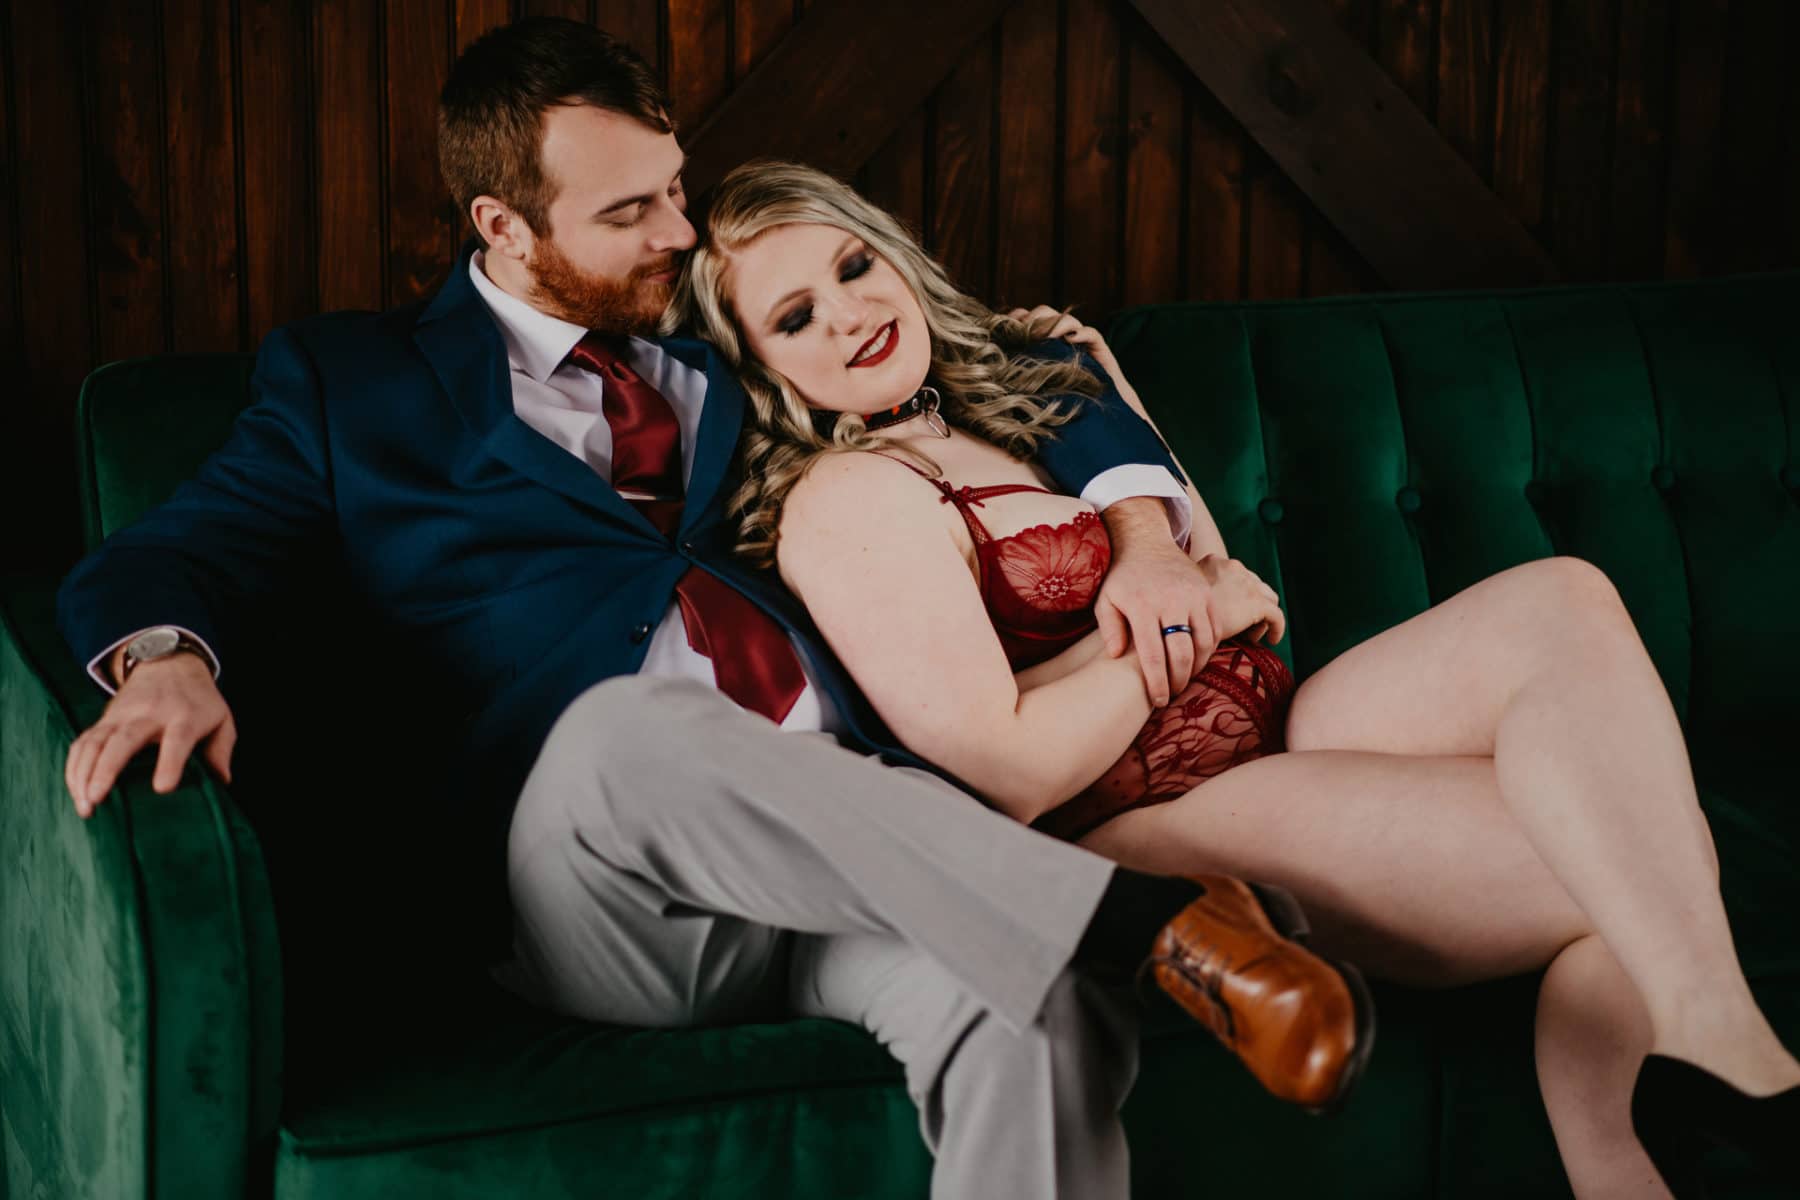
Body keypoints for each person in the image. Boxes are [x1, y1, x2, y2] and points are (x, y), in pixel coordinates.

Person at [53, 17, 1374, 1200]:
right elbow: (182, 547)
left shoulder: (727, 340)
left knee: (1035, 1015)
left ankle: (1089, 943)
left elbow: (1019, 366)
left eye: (675, 189)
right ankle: (1143, 923)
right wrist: (165, 658)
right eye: (630, 212)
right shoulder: (358, 388)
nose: (678, 234)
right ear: (504, 226)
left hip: (854, 852)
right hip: (597, 890)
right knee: (626, 732)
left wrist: (1143, 533)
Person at [672, 158, 1800, 1200]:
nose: (849, 313)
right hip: (1125, 820)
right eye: (795, 317)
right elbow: (1005, 771)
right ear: (759, 369)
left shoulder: (1012, 398)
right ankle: (1732, 1075)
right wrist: (1189, 624)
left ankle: (1690, 1078)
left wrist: (1117, 404)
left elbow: (1214, 570)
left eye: (853, 265)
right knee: (1618, 858)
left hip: (1268, 720)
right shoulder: (848, 499)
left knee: (1566, 606)